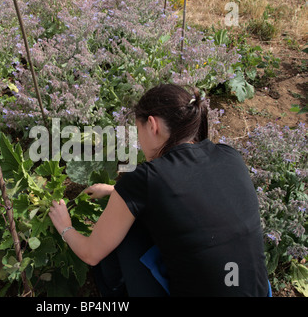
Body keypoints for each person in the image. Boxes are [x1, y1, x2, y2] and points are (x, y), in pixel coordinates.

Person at [49, 84, 270, 296]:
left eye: (138, 130)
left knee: (129, 230)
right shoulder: (228, 155)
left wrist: (64, 226)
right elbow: (189, 191)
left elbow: (90, 254)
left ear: (152, 125)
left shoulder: (144, 180)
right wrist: (115, 190)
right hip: (256, 291)